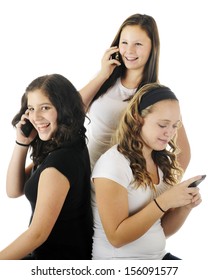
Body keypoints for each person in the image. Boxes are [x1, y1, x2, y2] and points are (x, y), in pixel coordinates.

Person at [91, 83, 202, 260]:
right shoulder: (113, 164)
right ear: (137, 119)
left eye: (175, 126)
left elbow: (160, 230)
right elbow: (116, 237)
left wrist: (184, 208)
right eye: (163, 125)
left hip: (158, 258)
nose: (170, 133)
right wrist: (164, 202)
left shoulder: (161, 163)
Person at [80, 13, 190, 171]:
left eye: (138, 44)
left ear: (153, 47)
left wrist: (163, 191)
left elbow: (183, 153)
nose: (129, 51)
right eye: (124, 42)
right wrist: (103, 75)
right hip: (86, 171)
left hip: (119, 180)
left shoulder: (157, 96)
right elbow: (70, 110)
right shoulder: (105, 78)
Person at [0, 74, 93, 260]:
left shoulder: (59, 163)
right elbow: (13, 190)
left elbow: (37, 235)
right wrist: (22, 142)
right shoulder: (62, 146)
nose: (35, 117)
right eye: (31, 108)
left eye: (45, 108)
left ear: (64, 109)